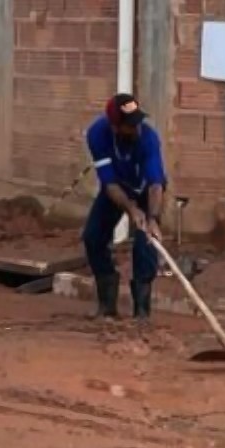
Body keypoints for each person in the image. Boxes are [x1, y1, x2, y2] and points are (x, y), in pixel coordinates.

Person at [82, 93, 167, 320]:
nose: (137, 128)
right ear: (115, 126)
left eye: (138, 121)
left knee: (145, 243)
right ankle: (107, 304)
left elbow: (156, 184)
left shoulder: (148, 138)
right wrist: (130, 209)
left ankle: (141, 312)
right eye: (130, 125)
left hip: (147, 192)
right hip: (117, 190)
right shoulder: (97, 134)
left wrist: (152, 218)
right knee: (92, 237)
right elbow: (108, 183)